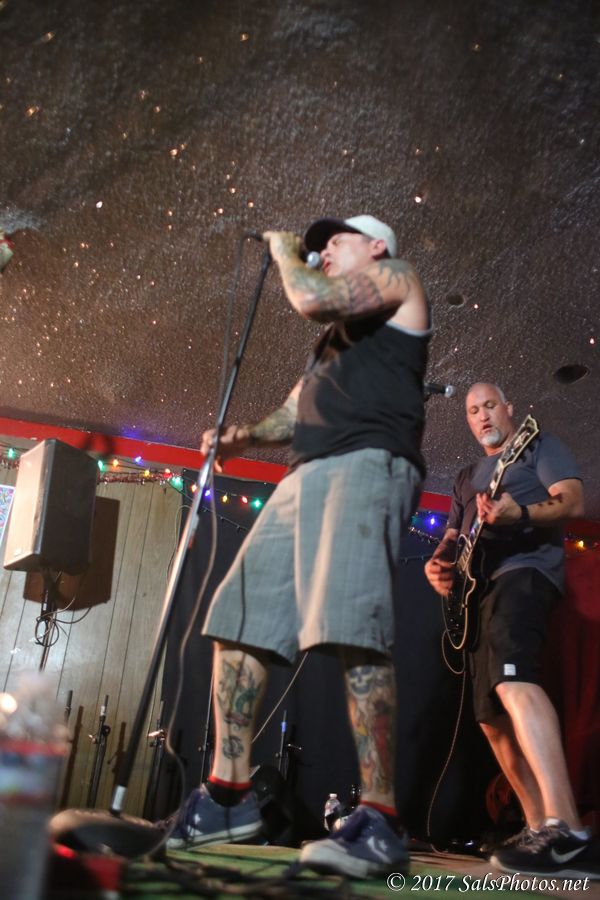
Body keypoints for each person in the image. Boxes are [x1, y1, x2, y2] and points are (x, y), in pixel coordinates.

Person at [164, 215, 431, 879]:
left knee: (353, 625)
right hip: (303, 476)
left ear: (375, 247)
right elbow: (292, 411)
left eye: (336, 241)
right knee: (239, 618)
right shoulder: (331, 345)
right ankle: (228, 797)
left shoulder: (398, 280)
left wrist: (286, 251)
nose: (322, 250)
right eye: (317, 244)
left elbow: (310, 296)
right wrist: (244, 436)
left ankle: (380, 818)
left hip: (368, 461)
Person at [425, 382, 599, 879]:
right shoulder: (465, 478)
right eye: (472, 410)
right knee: (489, 718)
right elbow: (453, 536)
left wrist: (518, 512)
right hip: (478, 594)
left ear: (509, 409)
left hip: (524, 575)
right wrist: (439, 563)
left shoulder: (536, 446)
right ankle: (538, 827)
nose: (482, 415)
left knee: (514, 680)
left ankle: (569, 830)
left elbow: (572, 502)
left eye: (489, 405)